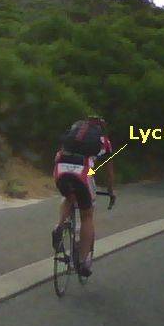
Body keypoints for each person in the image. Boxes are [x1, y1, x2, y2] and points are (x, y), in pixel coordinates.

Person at [52, 116, 115, 277]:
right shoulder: (104, 141)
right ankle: (82, 262)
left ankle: (59, 227)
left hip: (60, 169)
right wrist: (110, 191)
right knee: (87, 216)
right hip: (82, 172)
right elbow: (109, 172)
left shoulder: (74, 133)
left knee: (69, 196)